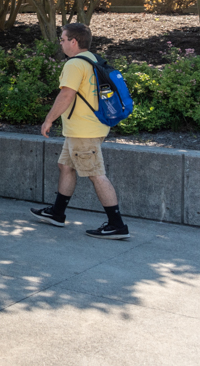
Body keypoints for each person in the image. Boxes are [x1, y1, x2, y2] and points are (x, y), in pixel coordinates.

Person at [31, 22, 130, 239]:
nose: (61, 43)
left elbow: (67, 95)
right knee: (65, 166)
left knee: (95, 173)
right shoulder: (93, 59)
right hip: (88, 126)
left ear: (73, 42)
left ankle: (117, 224)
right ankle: (57, 213)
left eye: (63, 39)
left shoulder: (75, 64)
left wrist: (49, 120)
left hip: (83, 130)